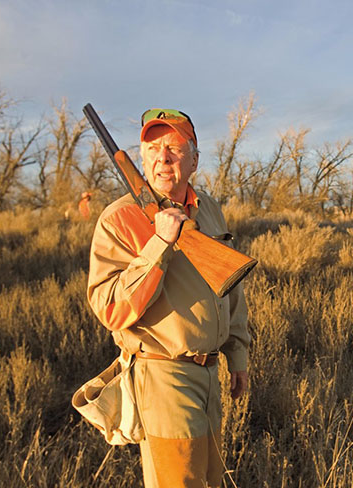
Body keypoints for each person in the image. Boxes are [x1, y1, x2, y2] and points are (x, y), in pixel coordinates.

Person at [86, 108, 250, 487]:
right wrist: (159, 243)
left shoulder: (207, 208)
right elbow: (111, 309)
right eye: (153, 148)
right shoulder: (119, 218)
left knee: (210, 480)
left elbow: (231, 286)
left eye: (174, 148)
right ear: (141, 159)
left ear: (194, 159)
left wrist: (237, 352)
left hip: (210, 375)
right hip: (165, 376)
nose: (163, 158)